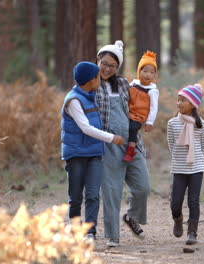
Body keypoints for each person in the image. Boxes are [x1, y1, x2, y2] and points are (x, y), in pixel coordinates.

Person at [61, 62, 125, 242]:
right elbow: (85, 128)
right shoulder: (73, 100)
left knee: (93, 195)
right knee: (75, 196)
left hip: (94, 153)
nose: (100, 79)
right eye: (98, 76)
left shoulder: (92, 95)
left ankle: (90, 232)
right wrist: (112, 138)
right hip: (76, 155)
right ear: (90, 80)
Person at [95, 41, 151, 247]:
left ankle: (131, 216)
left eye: (112, 65)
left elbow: (138, 107)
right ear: (98, 61)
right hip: (108, 145)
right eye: (104, 63)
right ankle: (112, 236)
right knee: (111, 191)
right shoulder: (91, 84)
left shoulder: (125, 84)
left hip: (132, 142)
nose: (107, 68)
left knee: (143, 187)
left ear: (117, 68)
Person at [167, 84, 204, 245]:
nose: (178, 103)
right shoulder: (172, 123)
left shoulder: (202, 125)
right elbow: (171, 144)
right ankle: (178, 219)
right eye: (178, 100)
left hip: (196, 168)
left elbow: (203, 146)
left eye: (182, 100)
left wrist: (195, 159)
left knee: (193, 201)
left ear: (193, 104)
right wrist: (179, 159)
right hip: (179, 168)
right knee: (175, 203)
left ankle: (192, 233)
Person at [122, 51, 159, 162]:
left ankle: (130, 150)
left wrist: (149, 122)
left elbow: (154, 108)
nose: (148, 75)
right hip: (128, 112)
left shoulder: (152, 91)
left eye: (152, 72)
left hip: (139, 116)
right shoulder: (133, 84)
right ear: (139, 71)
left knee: (132, 128)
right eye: (145, 71)